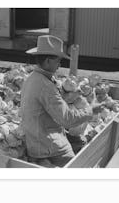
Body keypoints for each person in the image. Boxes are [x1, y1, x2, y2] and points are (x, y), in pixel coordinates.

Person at [20, 35, 104, 167]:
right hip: (50, 146)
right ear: (48, 61)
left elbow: (50, 104)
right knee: (79, 166)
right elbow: (67, 119)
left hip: (36, 141)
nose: (59, 65)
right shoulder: (45, 86)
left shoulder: (32, 78)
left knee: (77, 141)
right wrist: (91, 110)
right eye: (58, 61)